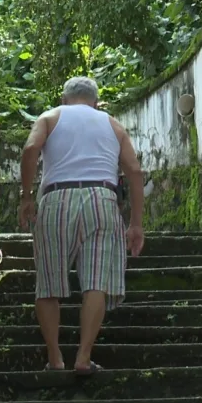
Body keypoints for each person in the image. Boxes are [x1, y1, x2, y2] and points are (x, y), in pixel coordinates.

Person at [18, 76, 145, 375]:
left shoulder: (50, 117)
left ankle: (55, 359)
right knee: (97, 281)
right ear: (96, 103)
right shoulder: (112, 124)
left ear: (64, 99)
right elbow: (135, 171)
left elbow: (29, 149)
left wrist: (26, 198)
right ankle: (83, 358)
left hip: (56, 198)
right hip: (101, 198)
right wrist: (136, 224)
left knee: (48, 284)